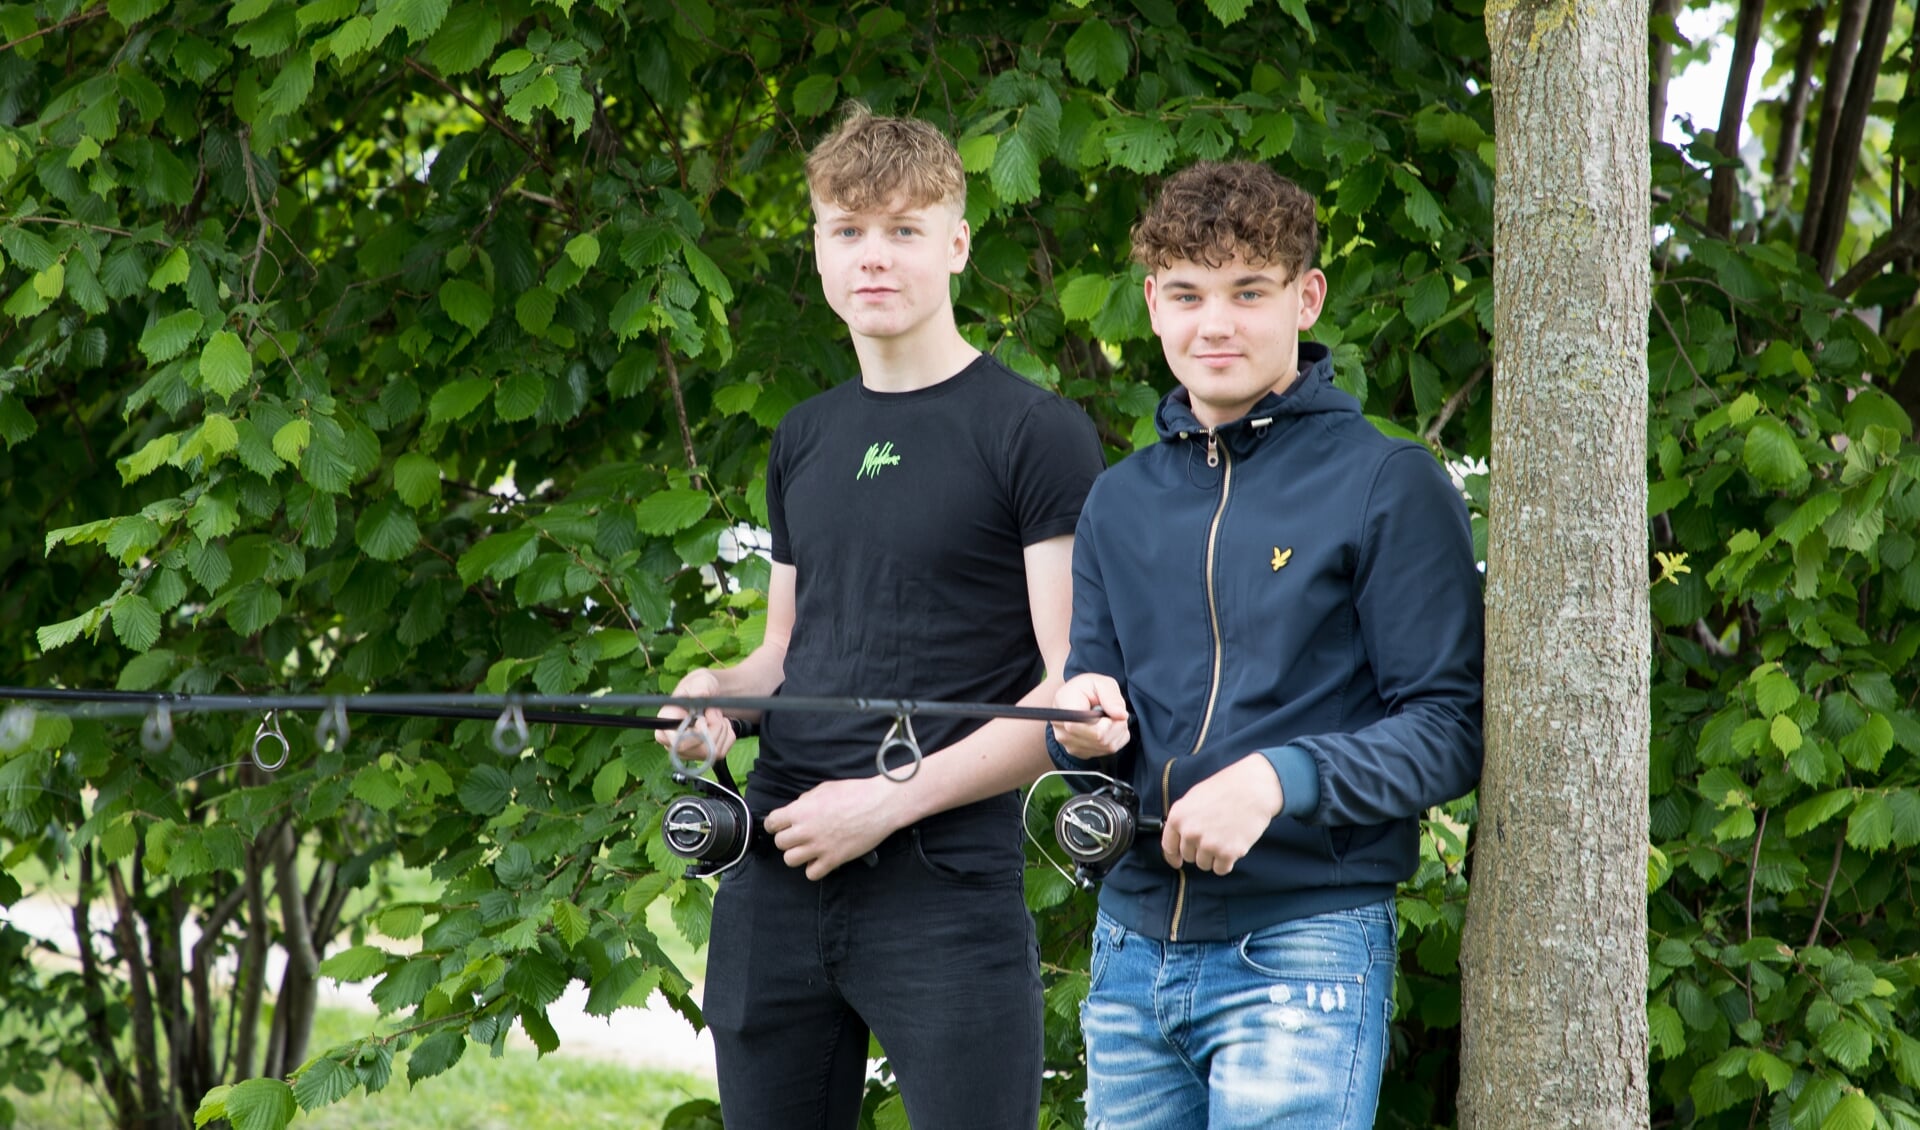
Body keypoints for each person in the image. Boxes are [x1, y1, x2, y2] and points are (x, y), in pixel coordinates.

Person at [656, 104, 1105, 1129]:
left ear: (956, 244)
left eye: (904, 229)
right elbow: (782, 654)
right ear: (816, 246)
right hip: (778, 865)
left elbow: (1068, 691)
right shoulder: (806, 435)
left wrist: (889, 800)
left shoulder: (1036, 432)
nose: (874, 256)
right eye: (847, 229)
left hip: (942, 880)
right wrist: (715, 698)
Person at [1048, 160, 1484, 1129]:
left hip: (1301, 952)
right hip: (1127, 956)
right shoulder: (1119, 500)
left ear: (1306, 295)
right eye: (1189, 294)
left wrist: (1277, 777)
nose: (1216, 324)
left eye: (1249, 292)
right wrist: (1077, 732)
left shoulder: (1387, 481)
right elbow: (1096, 732)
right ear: (1153, 303)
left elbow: (1451, 727)